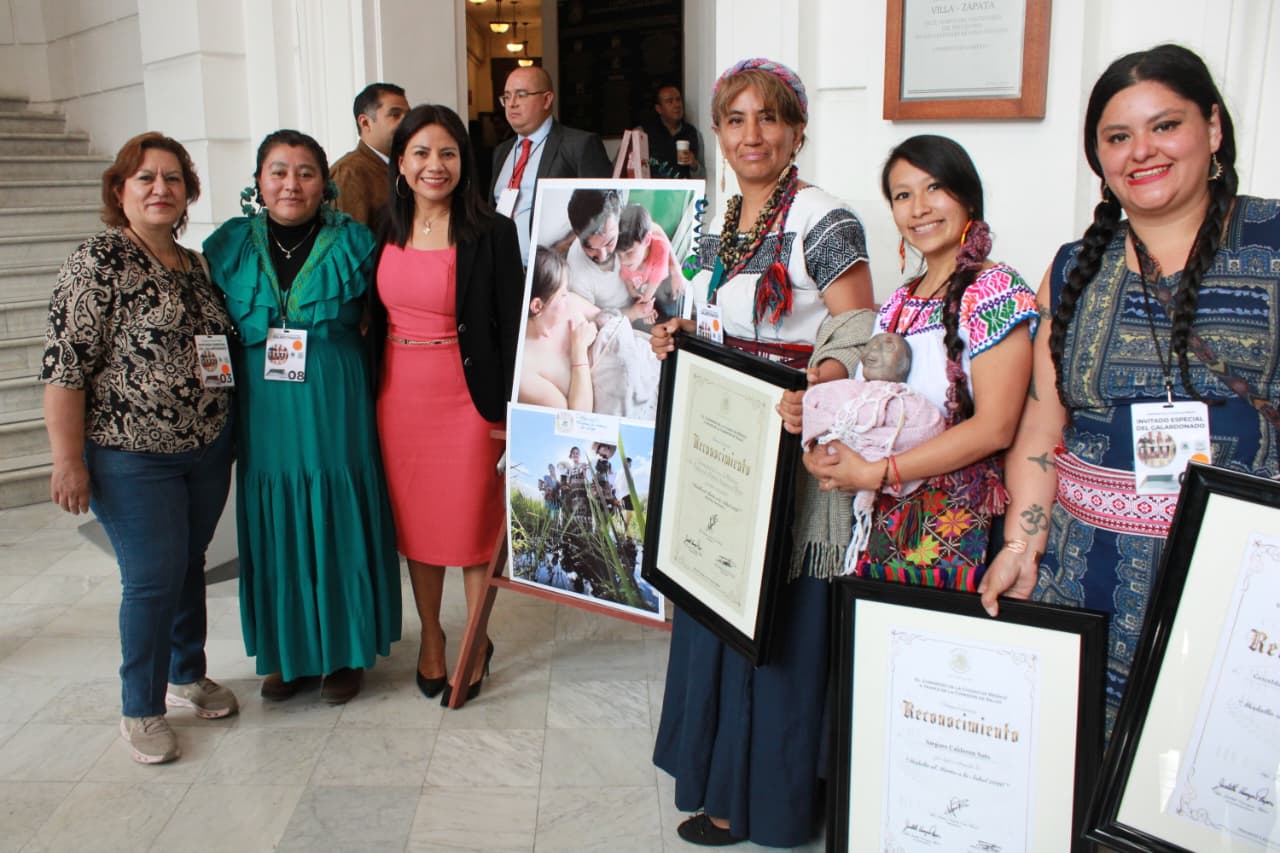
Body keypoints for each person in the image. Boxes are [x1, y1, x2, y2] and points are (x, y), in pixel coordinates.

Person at [979, 44, 1280, 736]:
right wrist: (1023, 547)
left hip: (1241, 589)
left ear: (1212, 127)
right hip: (1087, 581)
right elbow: (1040, 428)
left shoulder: (1271, 235)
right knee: (1084, 783)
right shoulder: (1075, 267)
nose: (1141, 151)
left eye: (1165, 125)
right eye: (1118, 137)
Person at [649, 58, 875, 847]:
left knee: (777, 621)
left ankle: (769, 801)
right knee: (716, 595)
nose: (753, 134)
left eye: (769, 119)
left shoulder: (824, 216)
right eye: (737, 119)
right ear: (718, 131)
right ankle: (717, 778)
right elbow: (709, 311)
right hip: (727, 431)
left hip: (792, 436)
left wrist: (816, 385)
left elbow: (860, 332)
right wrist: (679, 334)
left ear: (797, 131)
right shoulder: (717, 216)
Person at [40, 132, 237, 765]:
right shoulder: (98, 261)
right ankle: (141, 707)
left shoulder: (194, 263)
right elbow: (64, 368)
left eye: (173, 179)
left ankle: (185, 675)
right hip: (131, 453)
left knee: (188, 563)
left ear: (187, 194)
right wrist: (67, 458)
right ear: (120, 190)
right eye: (146, 178)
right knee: (151, 577)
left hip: (205, 448)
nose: (161, 188)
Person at [203, 129, 401, 706]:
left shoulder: (357, 242)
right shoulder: (226, 246)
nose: (292, 183)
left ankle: (343, 651)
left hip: (335, 403)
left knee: (337, 513)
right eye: (279, 171)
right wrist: (218, 404)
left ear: (325, 182)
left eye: (306, 171)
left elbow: (384, 323)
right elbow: (209, 333)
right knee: (276, 521)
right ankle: (289, 653)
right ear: (259, 181)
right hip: (264, 412)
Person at [805, 135, 1036, 591]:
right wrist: (821, 443)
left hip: (960, 524)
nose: (919, 208)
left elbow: (995, 427)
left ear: (967, 197)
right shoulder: (898, 302)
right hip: (888, 521)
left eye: (934, 189)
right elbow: (861, 402)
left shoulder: (996, 291)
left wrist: (879, 473)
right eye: (903, 195)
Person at [368, 104, 524, 705]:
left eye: (448, 153)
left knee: (471, 526)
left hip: (467, 400)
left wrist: (509, 412)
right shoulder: (382, 226)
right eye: (422, 153)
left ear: (465, 161)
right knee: (418, 526)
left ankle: (476, 638)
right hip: (398, 398)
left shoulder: (492, 232)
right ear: (401, 163)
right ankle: (431, 636)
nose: (436, 166)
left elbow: (512, 329)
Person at [801, 333, 946, 568]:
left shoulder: (908, 403)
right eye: (871, 345)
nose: (873, 351)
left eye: (886, 347)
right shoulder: (844, 390)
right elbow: (815, 406)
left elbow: (929, 430)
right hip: (843, 490)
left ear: (906, 364)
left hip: (911, 501)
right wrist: (818, 448)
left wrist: (871, 466)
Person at [490, 65, 613, 261]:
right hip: (501, 269)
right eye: (506, 96)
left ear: (547, 99)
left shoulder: (579, 145)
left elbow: (601, 212)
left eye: (521, 95)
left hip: (545, 273)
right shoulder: (501, 151)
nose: (511, 103)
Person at [519, 245, 599, 411]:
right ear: (537, 306)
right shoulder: (524, 371)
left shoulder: (571, 303)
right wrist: (579, 351)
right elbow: (576, 418)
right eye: (562, 294)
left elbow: (613, 322)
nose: (568, 297)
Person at [330, 82, 410, 230]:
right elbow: (353, 246)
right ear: (365, 123)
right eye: (395, 115)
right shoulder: (349, 173)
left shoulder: (406, 166)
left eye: (408, 115)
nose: (407, 123)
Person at [616, 202, 683, 327]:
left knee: (667, 313)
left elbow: (655, 282)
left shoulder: (661, 247)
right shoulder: (624, 255)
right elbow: (626, 279)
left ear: (646, 240)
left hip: (655, 287)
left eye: (629, 253)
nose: (623, 261)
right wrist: (634, 295)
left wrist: (645, 304)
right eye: (619, 255)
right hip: (641, 292)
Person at [638, 83, 705, 180]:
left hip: (683, 193)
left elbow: (702, 177)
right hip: (652, 193)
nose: (677, 105)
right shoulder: (643, 133)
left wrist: (694, 164)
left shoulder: (693, 134)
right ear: (659, 109)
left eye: (678, 100)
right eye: (670, 101)